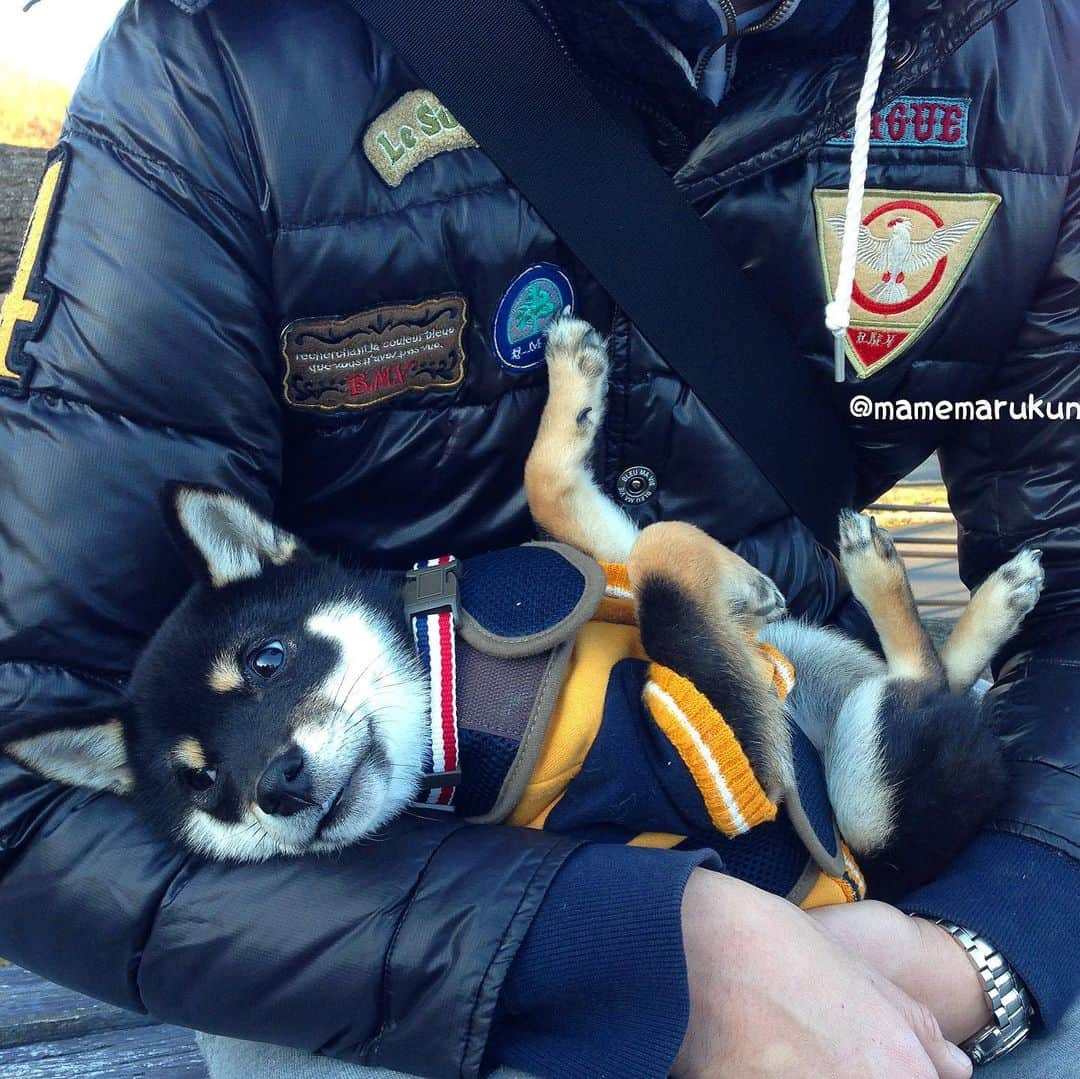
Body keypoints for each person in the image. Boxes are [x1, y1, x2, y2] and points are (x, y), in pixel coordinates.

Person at [0, 0, 1076, 1076]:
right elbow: (29, 775)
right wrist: (629, 947)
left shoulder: (1042, 61)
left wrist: (984, 936)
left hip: (837, 796)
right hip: (397, 908)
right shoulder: (223, 64)